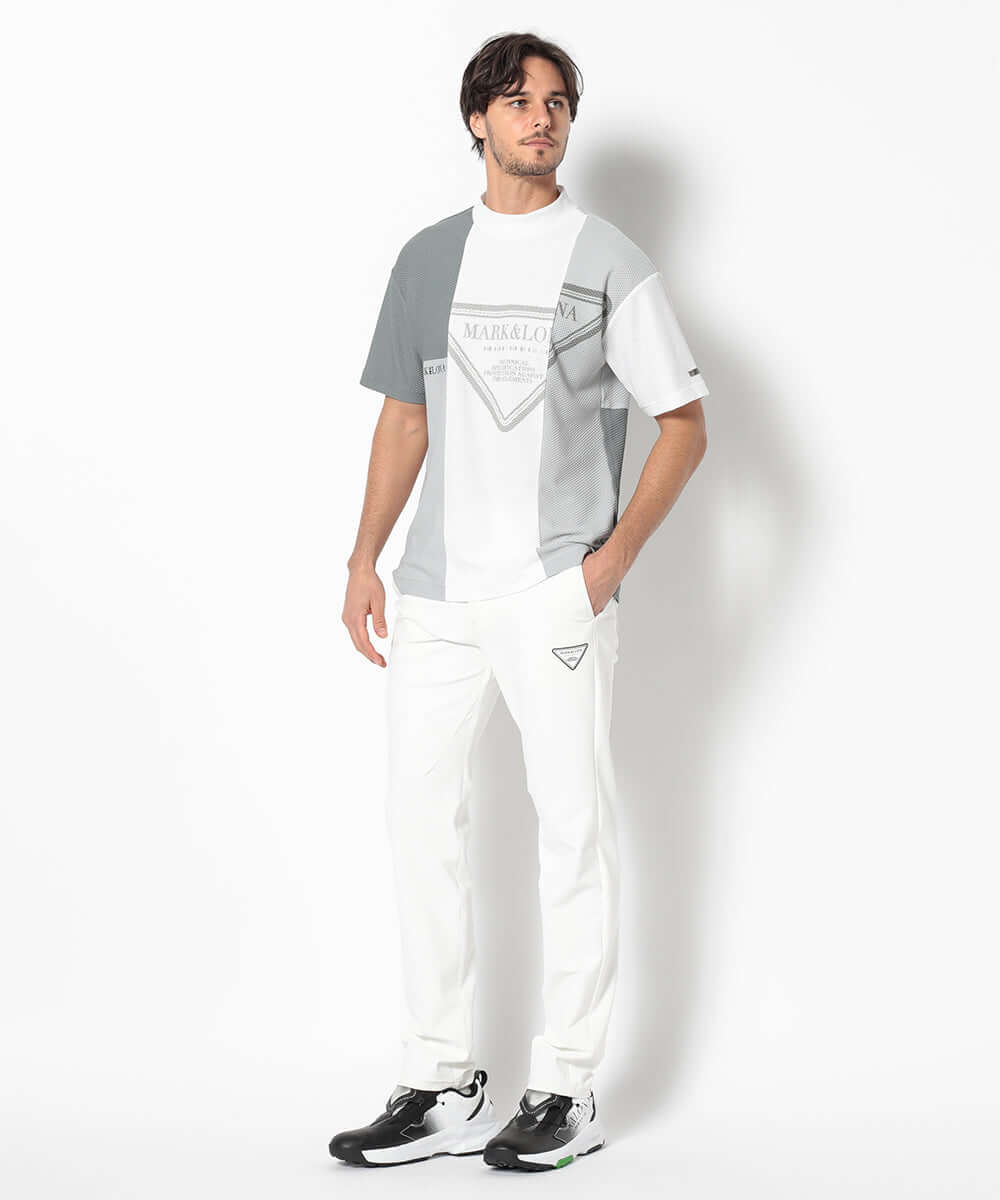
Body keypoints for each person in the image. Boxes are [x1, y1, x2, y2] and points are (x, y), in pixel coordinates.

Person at [330, 31, 709, 1172]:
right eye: (516, 100)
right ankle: (441, 1080)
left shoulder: (609, 259)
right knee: (418, 825)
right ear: (477, 120)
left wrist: (609, 562)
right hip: (436, 594)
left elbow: (683, 426)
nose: (540, 118)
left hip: (553, 594)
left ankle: (567, 1089)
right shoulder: (427, 260)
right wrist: (363, 558)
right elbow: (405, 418)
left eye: (556, 102)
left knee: (572, 829)